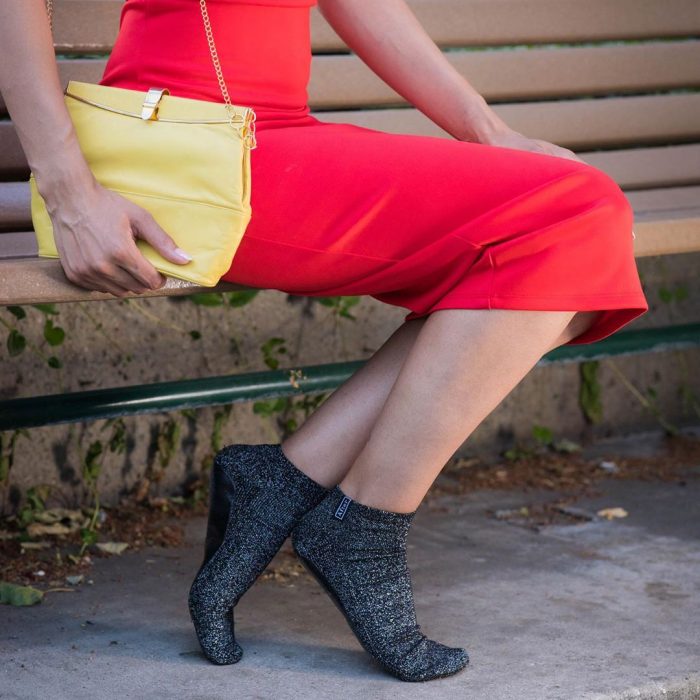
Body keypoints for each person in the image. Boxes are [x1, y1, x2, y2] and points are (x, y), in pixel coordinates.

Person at [0, 0, 649, 683]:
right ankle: (360, 521)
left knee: (566, 251)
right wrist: (71, 192)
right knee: (579, 219)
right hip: (187, 148)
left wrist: (488, 130)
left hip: (268, 138)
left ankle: (292, 484)